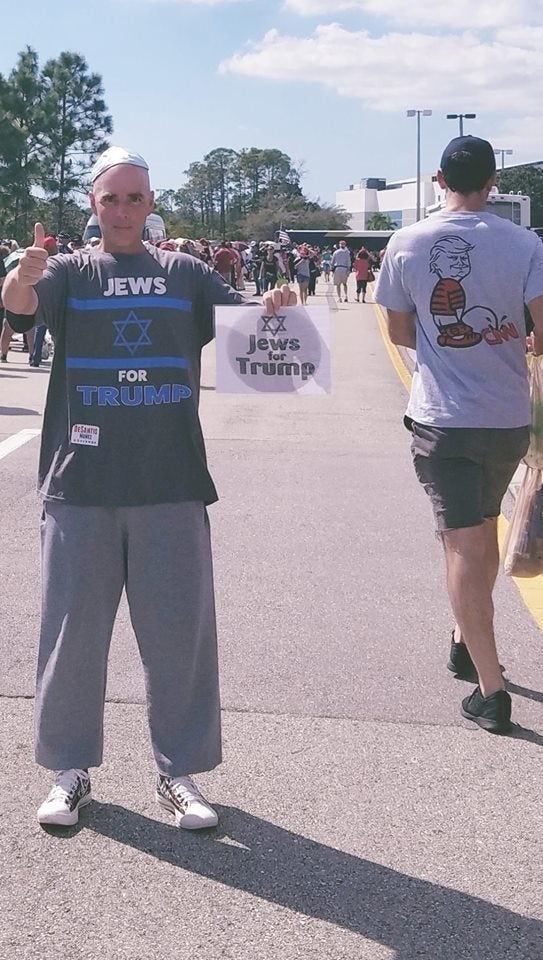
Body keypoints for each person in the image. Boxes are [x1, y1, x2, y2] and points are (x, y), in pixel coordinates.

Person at [3, 145, 295, 829]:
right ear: (93, 205)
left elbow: (249, 333)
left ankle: (178, 774)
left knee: (178, 638)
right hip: (81, 485)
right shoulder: (68, 273)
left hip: (172, 481)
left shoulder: (185, 272)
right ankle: (69, 772)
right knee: (72, 638)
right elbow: (18, 311)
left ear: (151, 204)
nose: (125, 210)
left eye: (136, 198)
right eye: (112, 199)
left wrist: (278, 306)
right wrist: (23, 275)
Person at [375, 135, 543, 734]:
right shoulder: (525, 244)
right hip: (506, 419)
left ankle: (491, 689)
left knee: (463, 543)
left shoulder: (406, 241)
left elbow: (398, 330)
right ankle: (463, 635)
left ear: (439, 179)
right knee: (479, 531)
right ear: (492, 182)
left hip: (443, 416)